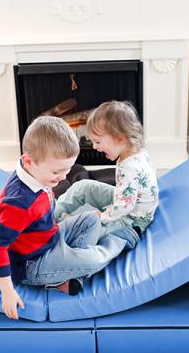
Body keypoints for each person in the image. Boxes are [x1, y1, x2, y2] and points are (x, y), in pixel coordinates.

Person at [0, 116, 126, 319]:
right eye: (56, 172)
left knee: (91, 220)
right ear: (29, 161)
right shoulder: (19, 204)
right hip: (34, 264)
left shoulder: (32, 172)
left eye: (68, 170)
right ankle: (123, 237)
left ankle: (66, 278)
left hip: (49, 237)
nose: (63, 177)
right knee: (95, 258)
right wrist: (7, 291)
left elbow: (43, 211)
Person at [54, 101, 159, 249]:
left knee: (95, 231)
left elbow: (124, 206)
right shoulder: (136, 150)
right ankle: (52, 212)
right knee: (84, 187)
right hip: (126, 201)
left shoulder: (129, 168)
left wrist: (102, 217)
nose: (94, 147)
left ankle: (63, 230)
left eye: (97, 142)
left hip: (132, 219)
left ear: (120, 138)